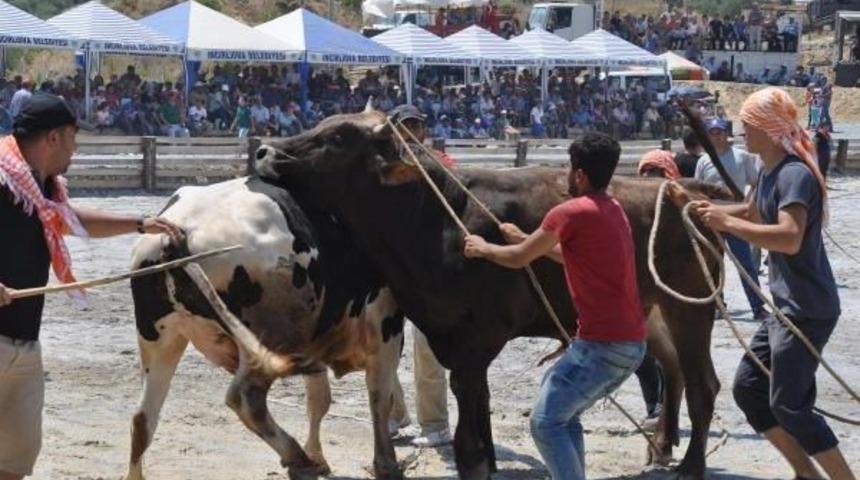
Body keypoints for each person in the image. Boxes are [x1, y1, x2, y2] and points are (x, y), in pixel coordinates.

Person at [0, 93, 182, 480]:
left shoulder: (42, 188)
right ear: (53, 139)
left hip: (24, 346)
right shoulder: (3, 179)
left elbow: (70, 220)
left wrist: (137, 223)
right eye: (72, 137)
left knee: (15, 462)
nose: (76, 148)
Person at [463, 133, 646, 480]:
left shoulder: (569, 212)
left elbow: (517, 260)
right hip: (630, 343)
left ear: (579, 175)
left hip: (602, 345)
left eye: (568, 167)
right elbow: (578, 259)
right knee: (563, 416)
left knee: (546, 424)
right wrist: (527, 240)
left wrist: (482, 247)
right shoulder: (612, 209)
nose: (565, 173)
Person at [695, 87, 856, 480]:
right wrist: (704, 209)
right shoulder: (768, 171)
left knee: (790, 406)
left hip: (806, 308)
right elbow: (751, 211)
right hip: (784, 308)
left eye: (747, 126)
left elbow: (789, 236)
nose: (740, 134)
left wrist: (728, 224)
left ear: (767, 128)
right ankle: (807, 474)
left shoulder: (794, 175)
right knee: (750, 390)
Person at [386, 105, 454, 447]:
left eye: (417, 126)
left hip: (430, 269)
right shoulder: (381, 169)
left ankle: (435, 423)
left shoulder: (441, 163)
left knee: (428, 349)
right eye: (405, 126)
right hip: (389, 269)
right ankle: (394, 416)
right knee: (383, 350)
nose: (412, 133)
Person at [695, 118, 767, 321]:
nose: (717, 136)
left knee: (745, 264)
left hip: (736, 216)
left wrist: (748, 207)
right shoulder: (703, 160)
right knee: (712, 264)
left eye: (720, 132)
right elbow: (698, 189)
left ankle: (758, 306)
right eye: (713, 132)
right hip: (711, 217)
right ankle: (718, 304)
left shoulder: (742, 157)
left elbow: (755, 184)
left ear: (727, 134)